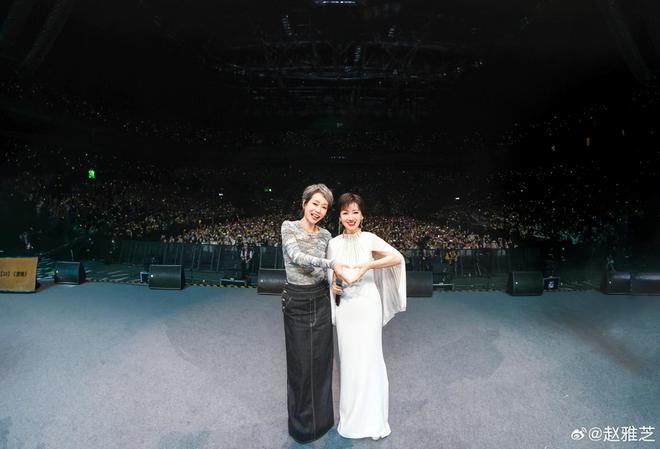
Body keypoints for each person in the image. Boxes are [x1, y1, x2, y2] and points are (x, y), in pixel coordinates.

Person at [327, 193, 406, 441]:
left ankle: (374, 419)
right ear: (339, 217)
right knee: (348, 362)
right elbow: (331, 276)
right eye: (345, 213)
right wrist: (334, 285)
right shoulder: (333, 243)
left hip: (368, 305)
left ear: (362, 215)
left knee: (371, 359)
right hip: (346, 308)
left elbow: (397, 257)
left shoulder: (370, 239)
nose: (350, 217)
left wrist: (368, 265)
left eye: (355, 212)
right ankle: (351, 419)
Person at [280, 184, 347, 444]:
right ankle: (301, 428)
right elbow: (297, 256)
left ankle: (322, 421)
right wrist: (331, 264)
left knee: (321, 362)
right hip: (296, 301)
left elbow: (325, 272)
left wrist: (333, 281)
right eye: (314, 203)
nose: (318, 210)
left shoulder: (326, 235)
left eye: (324, 207)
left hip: (320, 299)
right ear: (304, 203)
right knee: (300, 366)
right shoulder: (288, 227)